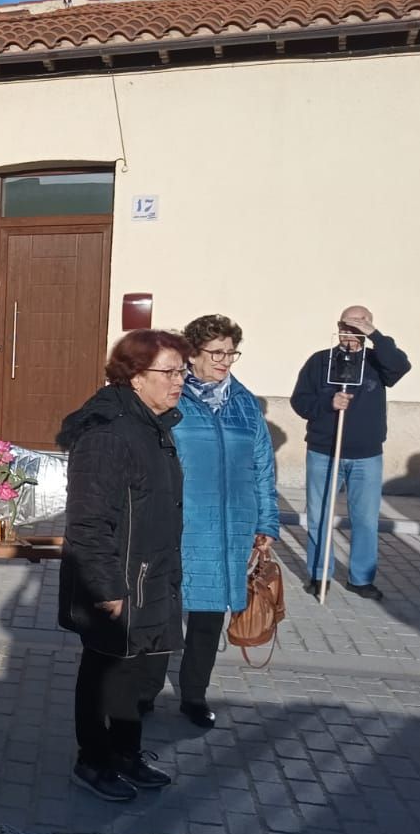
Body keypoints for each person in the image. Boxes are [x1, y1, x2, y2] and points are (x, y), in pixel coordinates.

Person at [57, 329, 189, 802]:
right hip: (115, 582)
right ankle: (92, 760)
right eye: (169, 372)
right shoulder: (108, 435)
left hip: (150, 576)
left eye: (182, 371)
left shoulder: (155, 428)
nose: (179, 381)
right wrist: (107, 588)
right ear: (136, 377)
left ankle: (126, 754)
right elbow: (88, 523)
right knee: (103, 674)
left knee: (137, 677)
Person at [167, 314, 279, 730]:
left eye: (231, 352)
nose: (225, 361)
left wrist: (266, 521)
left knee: (209, 615)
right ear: (192, 353)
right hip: (181, 522)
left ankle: (193, 695)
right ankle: (141, 692)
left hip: (231, 526)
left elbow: (263, 466)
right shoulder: (172, 398)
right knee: (163, 610)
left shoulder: (246, 403)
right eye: (216, 352)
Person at [291, 305, 410, 601]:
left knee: (366, 519)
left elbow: (400, 367)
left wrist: (376, 336)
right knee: (320, 516)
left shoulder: (377, 360)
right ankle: (319, 575)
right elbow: (300, 402)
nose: (352, 332)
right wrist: (328, 403)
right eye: (347, 325)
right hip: (324, 451)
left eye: (361, 325)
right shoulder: (320, 362)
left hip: (366, 455)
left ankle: (361, 579)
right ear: (338, 326)